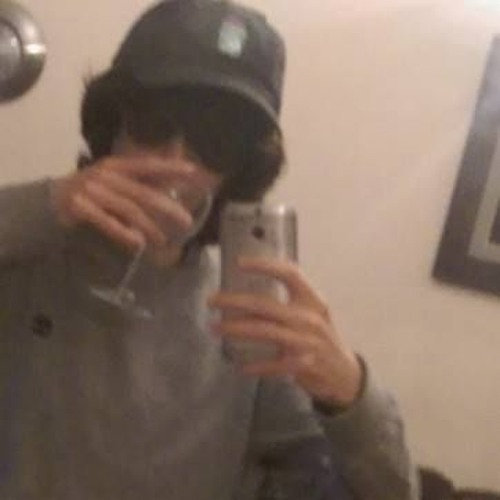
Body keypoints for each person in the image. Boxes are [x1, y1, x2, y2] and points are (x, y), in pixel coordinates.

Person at [0, 0, 419, 498]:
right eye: (155, 122)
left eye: (216, 138)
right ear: (113, 126)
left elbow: (393, 493)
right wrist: (49, 202)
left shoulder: (245, 326)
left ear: (238, 169)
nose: (176, 160)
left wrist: (351, 393)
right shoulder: (25, 253)